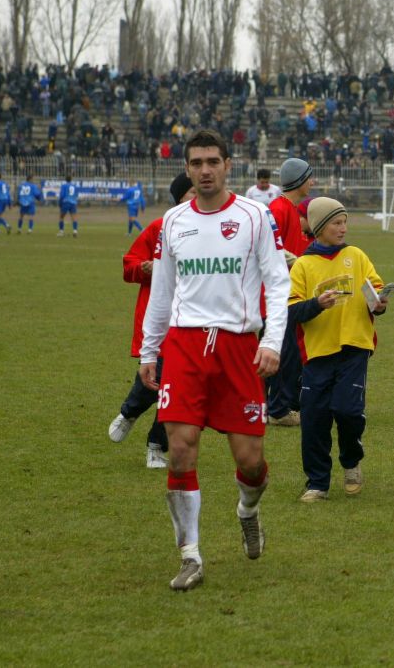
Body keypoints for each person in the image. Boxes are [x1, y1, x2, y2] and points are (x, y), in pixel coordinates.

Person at [139, 130, 291, 592]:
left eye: (212, 162)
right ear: (187, 169)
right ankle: (190, 555)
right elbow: (162, 291)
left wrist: (272, 342)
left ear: (228, 165)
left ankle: (248, 509)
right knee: (181, 450)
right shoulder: (173, 222)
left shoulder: (254, 217)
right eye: (196, 163)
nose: (204, 170)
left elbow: (278, 282)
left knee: (251, 461)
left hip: (238, 348)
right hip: (185, 347)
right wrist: (149, 349)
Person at [288, 198, 388, 502]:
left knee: (348, 410)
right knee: (314, 419)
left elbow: (375, 290)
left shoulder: (356, 255)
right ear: (319, 227)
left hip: (355, 347)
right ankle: (317, 483)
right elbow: (291, 311)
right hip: (317, 353)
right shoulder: (303, 265)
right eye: (336, 222)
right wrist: (316, 304)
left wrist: (379, 303)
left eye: (345, 222)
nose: (343, 228)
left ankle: (351, 460)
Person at [108, 174, 196, 468]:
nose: (197, 196)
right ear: (179, 197)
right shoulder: (160, 227)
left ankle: (156, 446)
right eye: (191, 192)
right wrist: (144, 269)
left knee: (177, 388)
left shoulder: (209, 230)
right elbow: (129, 266)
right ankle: (130, 411)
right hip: (161, 321)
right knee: (154, 379)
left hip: (193, 321)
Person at [264, 158, 316, 426]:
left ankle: (271, 406)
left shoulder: (291, 209)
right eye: (309, 177)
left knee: (289, 352)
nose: (312, 182)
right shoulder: (279, 208)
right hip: (278, 295)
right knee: (284, 353)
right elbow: (269, 246)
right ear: (299, 180)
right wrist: (298, 261)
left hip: (290, 292)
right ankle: (278, 410)